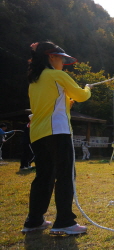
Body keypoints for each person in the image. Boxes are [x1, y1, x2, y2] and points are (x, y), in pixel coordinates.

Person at [22, 41, 91, 235]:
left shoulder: (34, 81)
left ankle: (34, 220)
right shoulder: (57, 75)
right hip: (58, 132)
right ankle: (64, 222)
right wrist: (87, 88)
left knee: (43, 177)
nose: (63, 62)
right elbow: (81, 95)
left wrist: (66, 103)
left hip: (38, 134)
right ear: (51, 57)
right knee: (65, 175)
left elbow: (45, 105)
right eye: (61, 58)